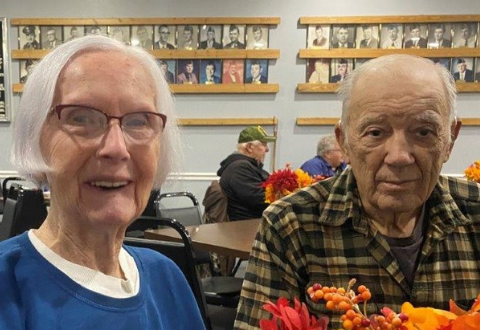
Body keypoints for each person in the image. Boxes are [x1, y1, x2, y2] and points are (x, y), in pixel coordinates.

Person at [234, 54, 480, 330]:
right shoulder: (291, 224)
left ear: (450, 139)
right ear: (345, 143)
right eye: (375, 133)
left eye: (423, 132)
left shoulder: (475, 212)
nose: (398, 156)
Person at [1, 36, 205, 329]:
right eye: (82, 118)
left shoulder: (166, 277)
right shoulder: (8, 287)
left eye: (138, 121)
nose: (116, 148)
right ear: (37, 138)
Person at [217, 126, 275, 221]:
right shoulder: (240, 168)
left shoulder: (248, 166)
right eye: (264, 144)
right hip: (246, 228)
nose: (267, 149)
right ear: (249, 147)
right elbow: (262, 200)